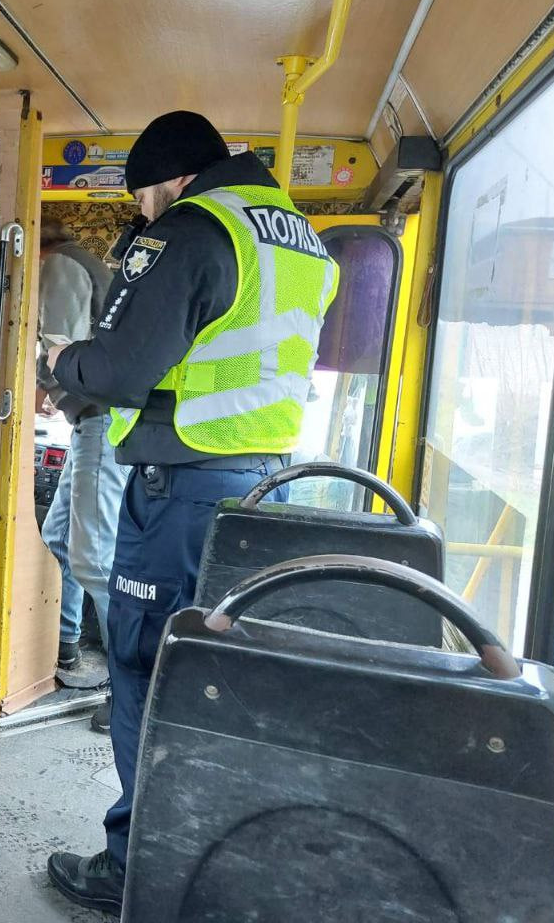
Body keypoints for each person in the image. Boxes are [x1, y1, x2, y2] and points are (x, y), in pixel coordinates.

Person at [43, 111, 338, 913]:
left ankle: (137, 868)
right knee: (217, 677)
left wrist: (58, 359)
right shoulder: (299, 237)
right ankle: (210, 857)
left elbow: (119, 369)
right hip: (266, 486)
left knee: (147, 669)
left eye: (143, 197)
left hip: (184, 489)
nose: (143, 214)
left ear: (170, 179)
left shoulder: (192, 227)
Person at [35, 217, 130, 733]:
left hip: (101, 420)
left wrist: (46, 390)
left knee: (95, 556)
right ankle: (66, 647)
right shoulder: (82, 263)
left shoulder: (61, 265)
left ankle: (129, 688)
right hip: (93, 419)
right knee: (59, 536)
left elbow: (62, 347)